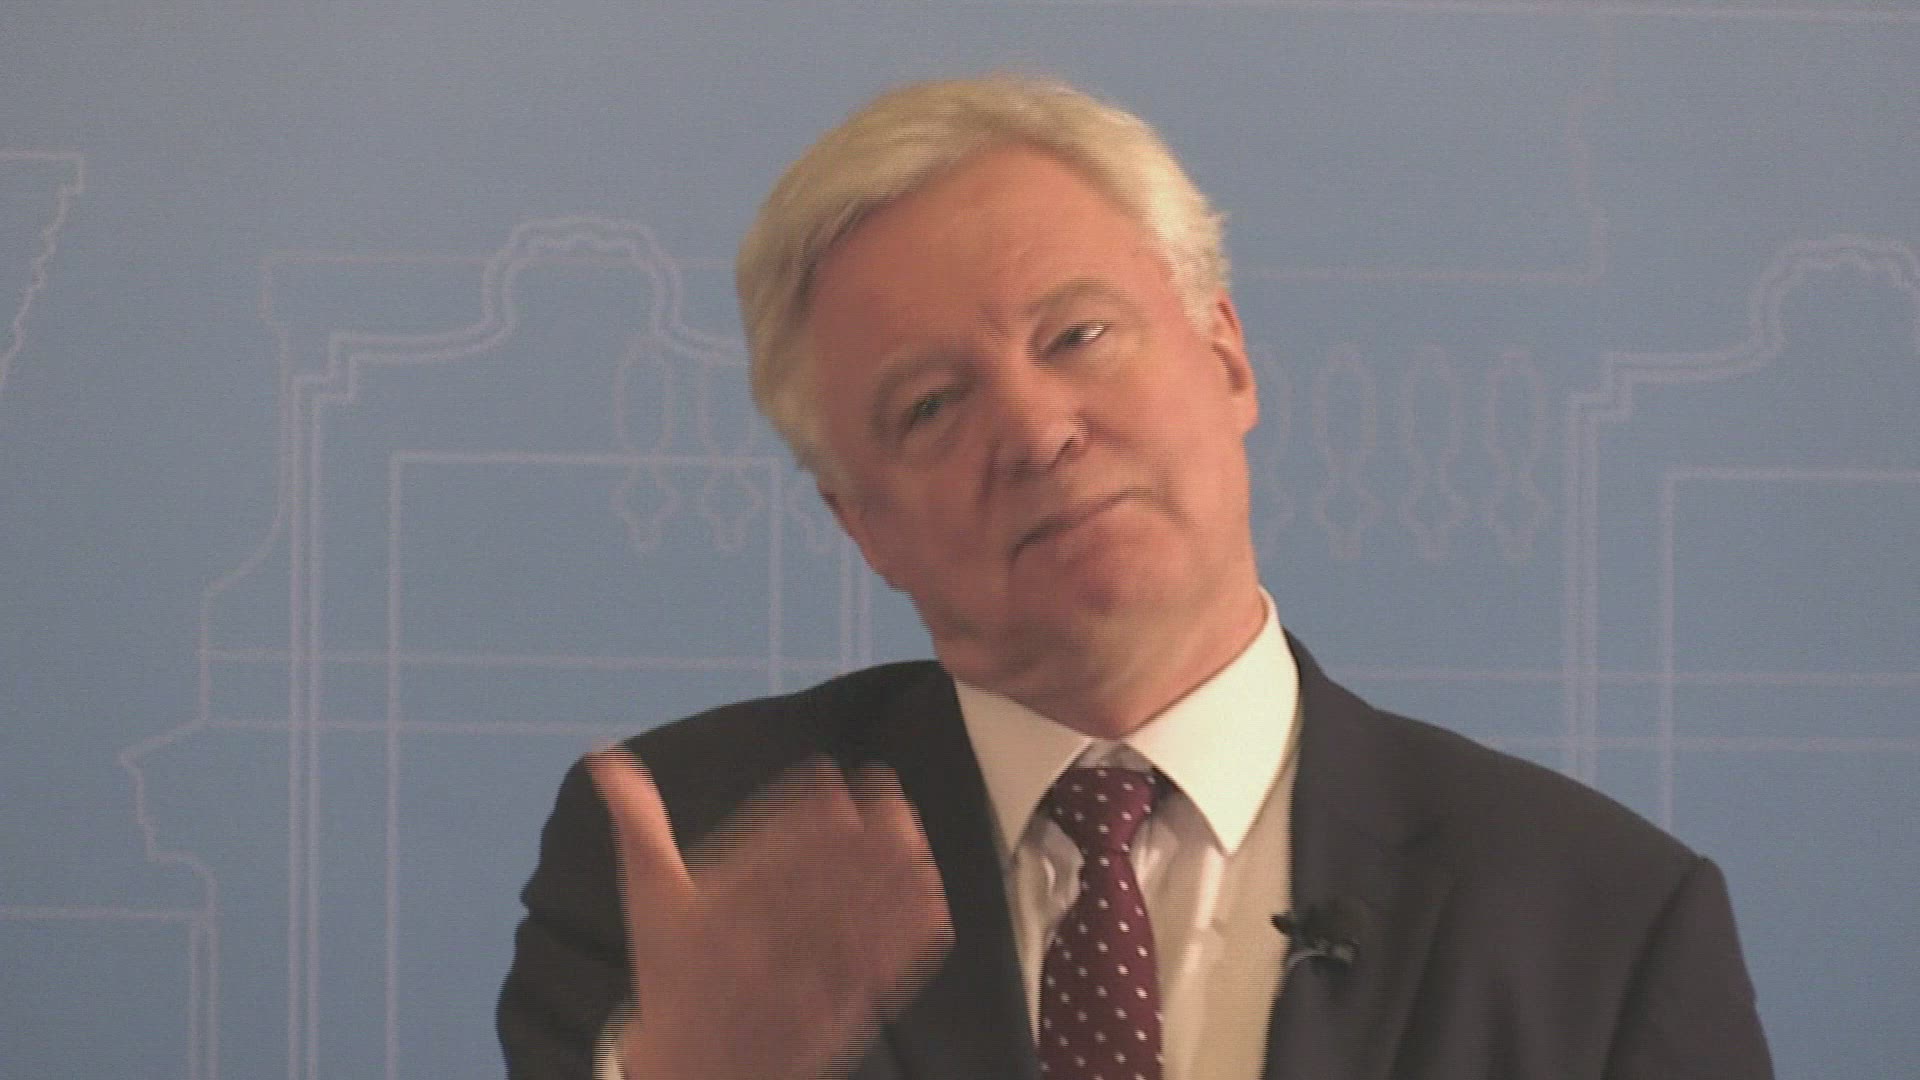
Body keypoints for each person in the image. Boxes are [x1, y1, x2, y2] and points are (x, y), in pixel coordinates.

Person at [498, 75, 1773, 1080]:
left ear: (1226, 356)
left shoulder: (1600, 917)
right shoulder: (689, 862)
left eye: (1079, 334)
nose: (1036, 428)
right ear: (862, 523)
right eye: (932, 405)